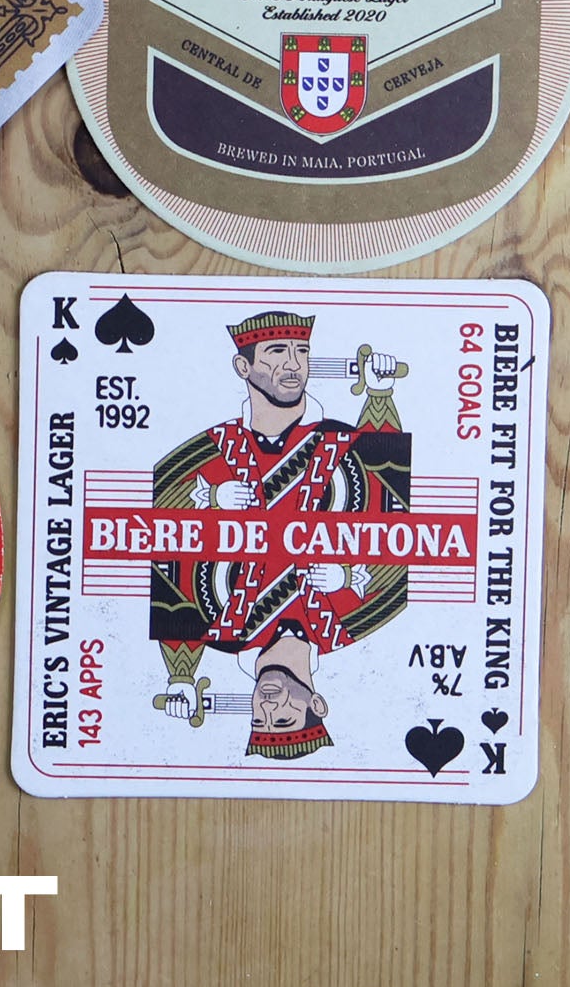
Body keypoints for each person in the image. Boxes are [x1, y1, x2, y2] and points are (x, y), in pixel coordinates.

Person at [150, 309, 411, 759]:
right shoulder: (354, 622)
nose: (270, 707)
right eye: (277, 352)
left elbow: (166, 562)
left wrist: (181, 678)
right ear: (243, 367)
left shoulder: (222, 631)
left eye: (259, 719)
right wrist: (379, 395)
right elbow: (392, 509)